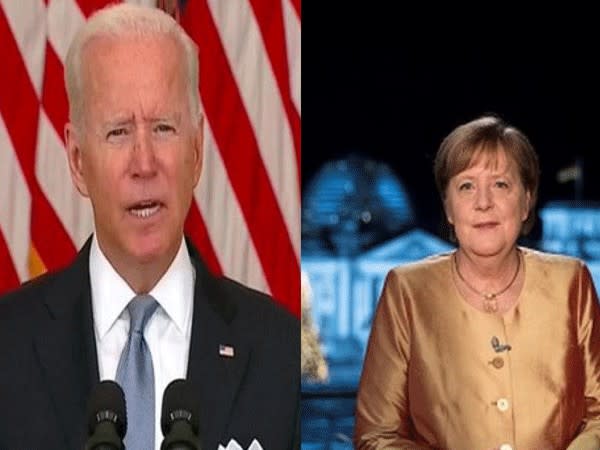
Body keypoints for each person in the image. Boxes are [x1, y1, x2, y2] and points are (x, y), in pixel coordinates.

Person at [0, 4, 299, 450]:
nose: (144, 163)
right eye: (119, 132)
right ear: (78, 161)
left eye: (163, 128)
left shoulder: (279, 352)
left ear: (196, 151)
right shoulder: (9, 345)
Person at [354, 115, 600, 449]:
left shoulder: (571, 282)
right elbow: (376, 436)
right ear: (449, 209)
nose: (483, 202)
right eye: (466, 186)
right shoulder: (407, 290)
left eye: (500, 184)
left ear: (527, 200)